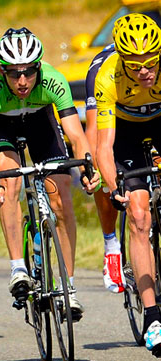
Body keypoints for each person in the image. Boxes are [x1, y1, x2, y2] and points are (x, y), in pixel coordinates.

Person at [0, 27, 99, 317]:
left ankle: (68, 288)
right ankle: (18, 267)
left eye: (29, 72)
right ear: (2, 71)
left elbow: (76, 136)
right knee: (9, 181)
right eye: (14, 73)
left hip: (40, 122)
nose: (22, 81)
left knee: (61, 197)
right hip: (4, 126)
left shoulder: (54, 80)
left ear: (39, 67)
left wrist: (87, 169)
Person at [96, 13, 161, 357]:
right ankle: (152, 317)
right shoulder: (108, 76)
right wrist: (111, 185)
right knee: (138, 215)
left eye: (151, 62)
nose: (145, 71)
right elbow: (104, 146)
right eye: (136, 66)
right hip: (127, 135)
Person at [85, 42, 127, 294]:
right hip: (111, 119)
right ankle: (111, 245)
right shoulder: (101, 70)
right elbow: (93, 129)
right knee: (102, 168)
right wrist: (95, 168)